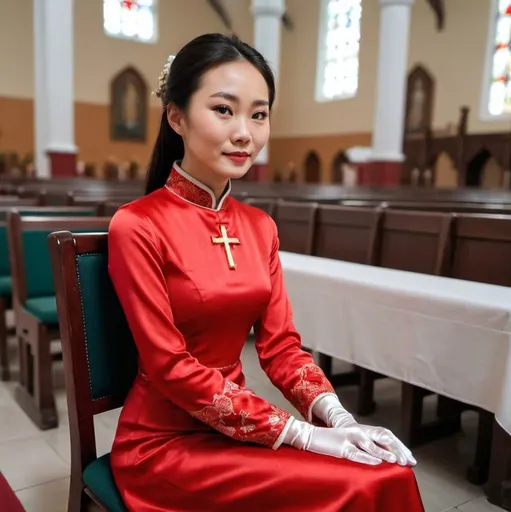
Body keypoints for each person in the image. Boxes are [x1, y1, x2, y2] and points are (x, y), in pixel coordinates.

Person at [108, 33, 425, 512]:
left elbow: (280, 349)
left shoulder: (260, 228)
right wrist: (299, 433)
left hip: (239, 427)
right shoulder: (137, 225)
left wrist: (338, 420)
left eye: (259, 114)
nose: (245, 133)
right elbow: (169, 367)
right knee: (360, 487)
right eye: (223, 110)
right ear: (176, 117)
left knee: (383, 472)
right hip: (166, 444)